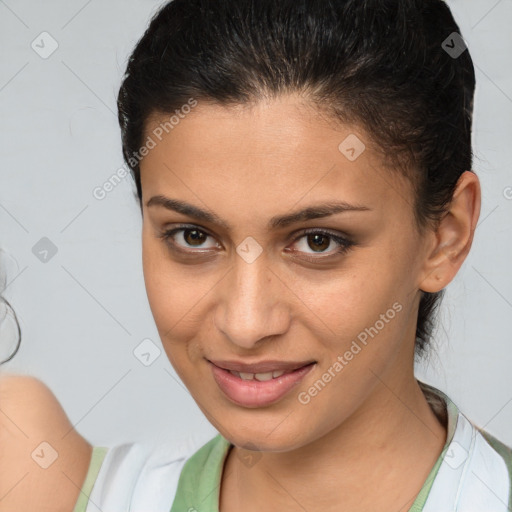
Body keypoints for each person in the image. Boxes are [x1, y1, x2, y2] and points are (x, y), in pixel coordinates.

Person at [1, 0, 511, 511]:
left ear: (446, 235)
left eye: (318, 241)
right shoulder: (46, 483)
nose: (245, 325)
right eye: (193, 236)